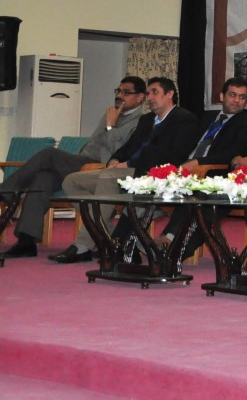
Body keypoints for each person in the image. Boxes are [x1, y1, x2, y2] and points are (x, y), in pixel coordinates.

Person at [50, 77, 200, 264]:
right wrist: (116, 159)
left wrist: (128, 163)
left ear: (170, 94)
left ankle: (83, 245)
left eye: (155, 92)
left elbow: (174, 155)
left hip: (152, 174)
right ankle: (110, 234)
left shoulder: (184, 119)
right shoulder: (146, 120)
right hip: (126, 171)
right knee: (72, 181)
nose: (150, 97)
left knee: (109, 176)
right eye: (148, 93)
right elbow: (129, 146)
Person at [0, 77, 146, 259]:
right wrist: (110, 122)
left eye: (126, 92)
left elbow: (117, 153)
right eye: (118, 91)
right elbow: (94, 143)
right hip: (82, 162)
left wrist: (110, 126)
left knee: (49, 154)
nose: (120, 95)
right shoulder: (113, 113)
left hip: (99, 166)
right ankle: (26, 242)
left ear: (140, 97)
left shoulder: (140, 121)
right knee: (43, 179)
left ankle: (6, 191)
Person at [155, 79, 247, 254]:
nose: (237, 100)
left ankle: (171, 242)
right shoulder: (208, 118)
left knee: (198, 198)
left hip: (214, 174)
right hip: (186, 169)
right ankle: (133, 241)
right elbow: (187, 144)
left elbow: (234, 153)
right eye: (232, 95)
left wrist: (199, 163)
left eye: (242, 97)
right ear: (222, 96)